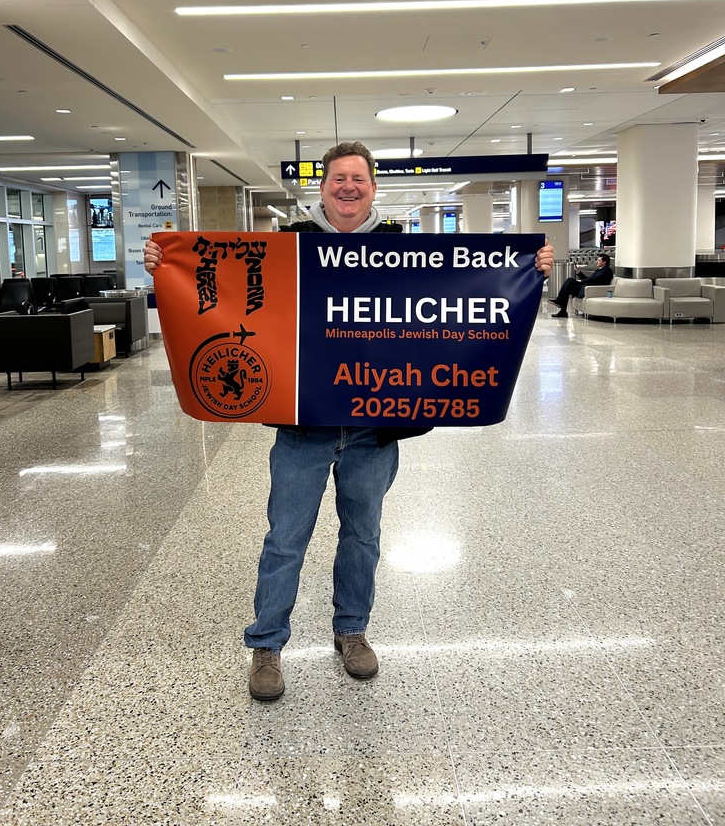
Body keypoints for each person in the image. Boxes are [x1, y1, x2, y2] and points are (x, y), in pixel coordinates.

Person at [144, 141, 554, 701]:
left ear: (373, 188)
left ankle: (352, 632)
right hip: (304, 425)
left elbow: (466, 283)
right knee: (285, 538)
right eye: (338, 178)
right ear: (323, 187)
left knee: (362, 535)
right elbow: (225, 281)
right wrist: (164, 264)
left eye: (358, 179)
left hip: (373, 428)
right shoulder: (288, 244)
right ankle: (266, 645)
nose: (348, 188)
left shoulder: (402, 249)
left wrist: (530, 269)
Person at [549, 251, 613, 318]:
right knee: (569, 282)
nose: (597, 261)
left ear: (604, 262)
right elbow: (588, 279)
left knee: (570, 282)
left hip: (591, 290)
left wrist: (581, 282)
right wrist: (579, 272)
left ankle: (560, 304)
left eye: (599, 260)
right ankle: (562, 309)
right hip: (587, 288)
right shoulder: (600, 270)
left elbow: (594, 279)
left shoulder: (606, 270)